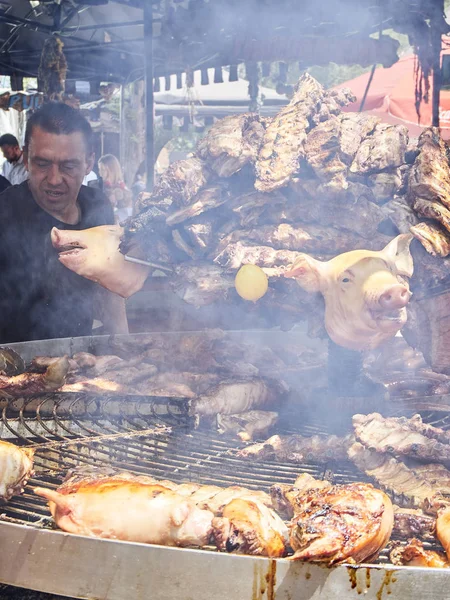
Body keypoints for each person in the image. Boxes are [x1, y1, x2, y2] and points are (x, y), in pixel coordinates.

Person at [0, 102, 128, 343]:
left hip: (81, 367)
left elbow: (109, 285)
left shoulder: (97, 206)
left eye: (68, 166)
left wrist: (123, 342)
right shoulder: (5, 213)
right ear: (26, 158)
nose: (54, 179)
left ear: (89, 163)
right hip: (13, 370)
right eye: (42, 164)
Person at [98, 154, 132, 222]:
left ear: (112, 170)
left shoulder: (124, 190)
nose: (100, 173)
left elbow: (129, 214)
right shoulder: (100, 188)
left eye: (103, 170)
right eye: (99, 169)